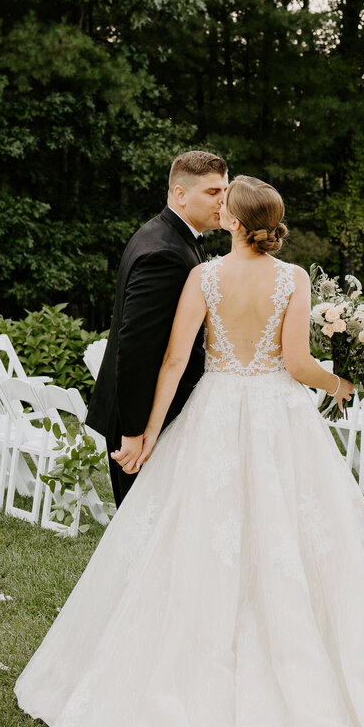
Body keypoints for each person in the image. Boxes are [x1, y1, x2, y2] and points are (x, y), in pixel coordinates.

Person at [13, 175, 364, 727]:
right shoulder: (293, 277)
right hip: (281, 423)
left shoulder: (205, 277)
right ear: (273, 225)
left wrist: (150, 433)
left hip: (214, 419)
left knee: (193, 551)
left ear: (234, 222)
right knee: (300, 553)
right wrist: (345, 387)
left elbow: (171, 360)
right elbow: (299, 363)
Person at [86, 149, 229, 506]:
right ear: (180, 194)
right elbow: (135, 348)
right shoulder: (164, 254)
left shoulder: (168, 236)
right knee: (143, 532)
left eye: (225, 191)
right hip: (141, 420)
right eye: (212, 192)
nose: (223, 201)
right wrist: (134, 433)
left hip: (151, 415)